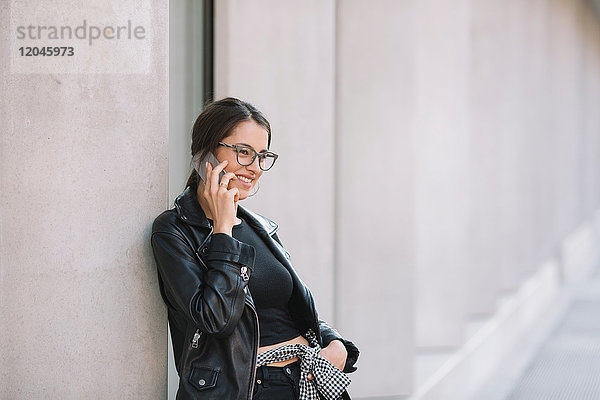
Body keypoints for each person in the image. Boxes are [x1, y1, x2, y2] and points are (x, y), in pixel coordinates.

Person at [151, 97, 359, 400]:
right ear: (206, 152)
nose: (255, 167)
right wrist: (222, 230)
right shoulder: (174, 230)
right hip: (249, 388)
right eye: (244, 152)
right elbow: (216, 319)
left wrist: (335, 343)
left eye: (261, 155)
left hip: (307, 381)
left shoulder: (261, 227)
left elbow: (288, 308)